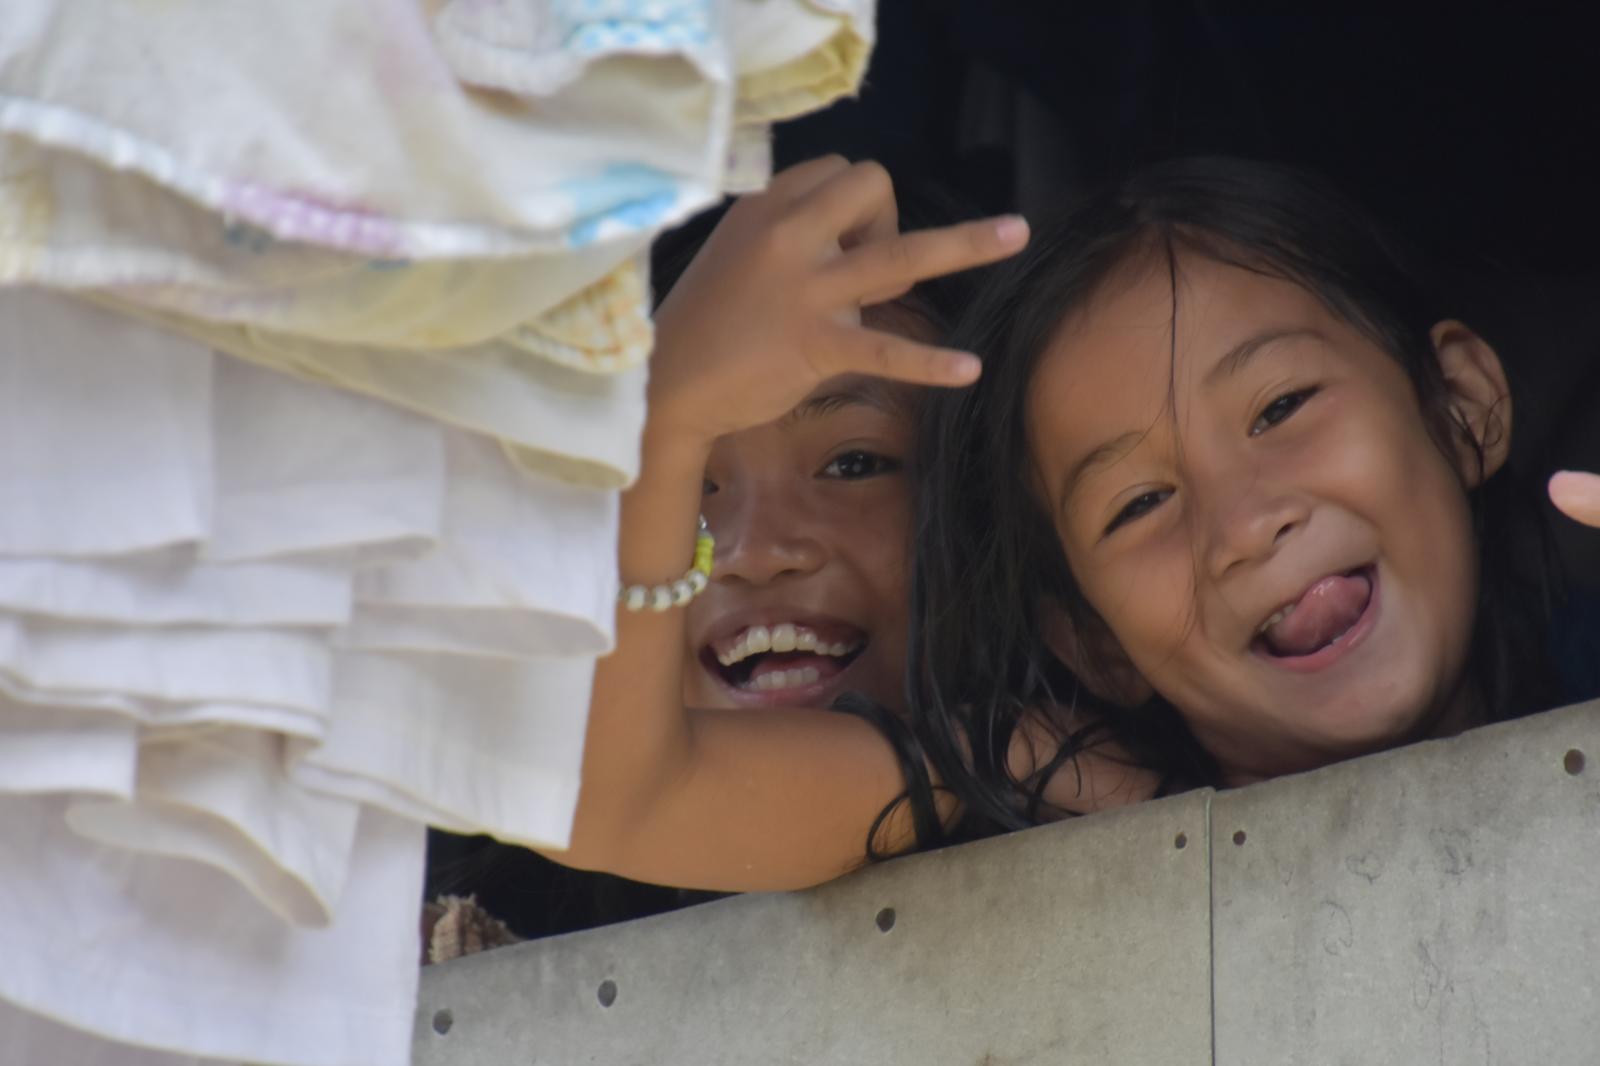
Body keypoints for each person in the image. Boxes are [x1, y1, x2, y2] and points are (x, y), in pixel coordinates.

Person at [907, 155, 1590, 830]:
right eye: (1139, 503)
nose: (1245, 524)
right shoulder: (1132, 890)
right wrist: (985, 754)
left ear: (1460, 405)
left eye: (1282, 406)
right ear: (1097, 644)